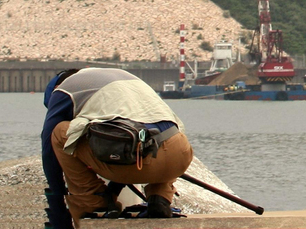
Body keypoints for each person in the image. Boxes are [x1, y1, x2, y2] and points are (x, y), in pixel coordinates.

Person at [41, 67, 193, 227]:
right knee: (155, 134)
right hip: (179, 157)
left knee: (59, 133)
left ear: (55, 90)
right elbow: (133, 141)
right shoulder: (125, 79)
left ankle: (93, 205)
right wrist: (113, 191)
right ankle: (159, 197)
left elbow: (48, 151)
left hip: (137, 163)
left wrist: (58, 209)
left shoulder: (64, 90)